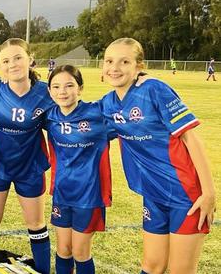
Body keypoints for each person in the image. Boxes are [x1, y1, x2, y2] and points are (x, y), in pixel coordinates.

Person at [101, 38, 215, 273]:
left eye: (125, 61)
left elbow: (190, 138)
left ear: (138, 66)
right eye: (109, 61)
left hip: (185, 196)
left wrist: (209, 193)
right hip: (153, 195)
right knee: (152, 265)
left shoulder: (154, 89)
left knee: (179, 270)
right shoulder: (108, 104)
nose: (115, 67)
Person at [0, 38, 53, 274]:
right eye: (6, 60)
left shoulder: (46, 92)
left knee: (36, 225)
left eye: (18, 57)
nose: (12, 64)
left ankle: (43, 271)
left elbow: (73, 108)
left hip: (30, 167)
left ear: (30, 59)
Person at [45, 65, 113, 274]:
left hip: (89, 195)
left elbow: (126, 107)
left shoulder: (98, 114)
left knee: (80, 252)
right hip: (62, 192)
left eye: (69, 85)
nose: (62, 92)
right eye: (56, 87)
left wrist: (140, 82)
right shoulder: (49, 116)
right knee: (64, 250)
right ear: (49, 91)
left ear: (80, 88)